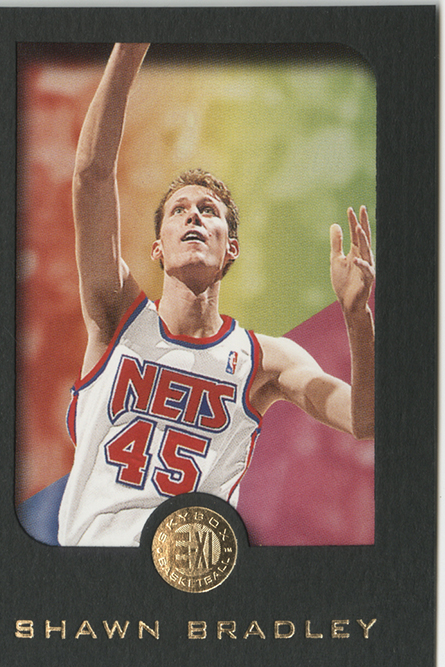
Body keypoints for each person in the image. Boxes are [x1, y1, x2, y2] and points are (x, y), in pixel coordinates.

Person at [58, 43, 375, 547]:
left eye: (209, 211)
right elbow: (91, 176)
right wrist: (128, 47)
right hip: (95, 567)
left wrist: (357, 318)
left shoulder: (265, 358)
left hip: (194, 576)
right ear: (158, 248)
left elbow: (365, 419)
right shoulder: (117, 313)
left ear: (231, 249)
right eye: (179, 209)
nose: (194, 215)